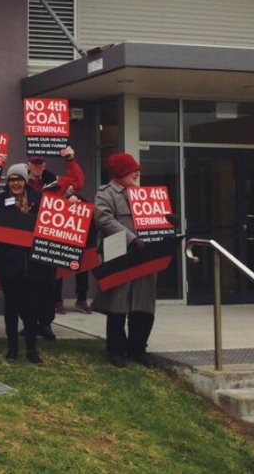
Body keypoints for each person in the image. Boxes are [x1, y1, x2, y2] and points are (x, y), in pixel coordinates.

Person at [93, 152, 157, 368]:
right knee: (118, 304)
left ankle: (138, 348)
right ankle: (116, 350)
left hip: (144, 256)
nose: (137, 174)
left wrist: (167, 221)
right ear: (120, 172)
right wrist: (132, 239)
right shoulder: (106, 193)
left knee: (144, 304)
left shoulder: (143, 194)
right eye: (133, 170)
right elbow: (103, 219)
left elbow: (153, 219)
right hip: (119, 251)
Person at [25, 146, 87, 338]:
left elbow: (78, 183)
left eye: (40, 163)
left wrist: (70, 159)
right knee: (29, 287)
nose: (37, 167)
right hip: (27, 242)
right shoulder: (21, 182)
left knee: (48, 287)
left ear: (44, 165)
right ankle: (29, 324)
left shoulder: (55, 182)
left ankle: (45, 324)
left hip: (49, 241)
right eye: (34, 163)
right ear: (29, 165)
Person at [0, 163, 48, 364]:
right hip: (9, 263)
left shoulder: (38, 199)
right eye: (12, 179)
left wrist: (74, 201)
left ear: (25, 181)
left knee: (31, 308)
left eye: (19, 179)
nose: (15, 183)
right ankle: (12, 348)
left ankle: (32, 349)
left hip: (32, 264)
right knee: (12, 307)